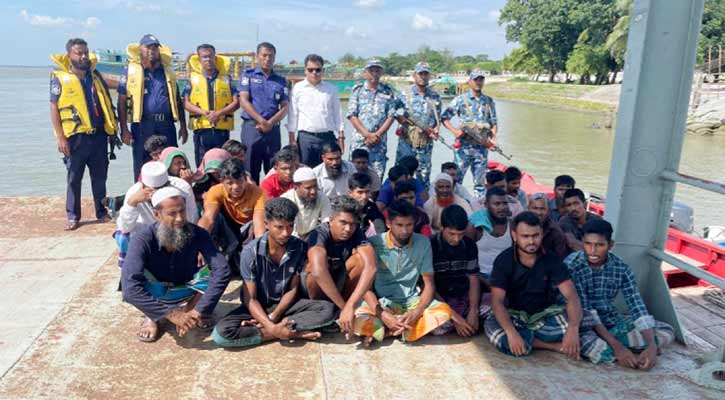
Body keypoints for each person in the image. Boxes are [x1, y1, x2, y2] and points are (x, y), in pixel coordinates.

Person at [212, 197, 336, 347]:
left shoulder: (299, 248)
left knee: (328, 310)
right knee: (221, 334)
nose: (285, 233)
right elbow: (250, 299)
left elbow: (293, 289)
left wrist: (273, 316)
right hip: (257, 306)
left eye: (290, 226)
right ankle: (290, 333)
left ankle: (270, 331)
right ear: (266, 224)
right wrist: (271, 326)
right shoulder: (251, 252)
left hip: (285, 307)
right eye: (279, 227)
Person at [122, 187, 231, 342]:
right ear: (157, 215)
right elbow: (129, 289)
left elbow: (223, 270)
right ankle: (152, 316)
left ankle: (192, 308)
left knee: (215, 272)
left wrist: (198, 310)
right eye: (172, 214)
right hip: (155, 289)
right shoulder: (142, 238)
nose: (180, 218)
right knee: (134, 280)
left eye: (182, 211)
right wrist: (173, 315)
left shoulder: (198, 233)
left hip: (187, 287)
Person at [567, 219, 675, 367]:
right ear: (582, 242)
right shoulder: (573, 265)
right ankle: (619, 347)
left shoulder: (621, 268)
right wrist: (619, 348)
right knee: (593, 347)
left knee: (667, 332)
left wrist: (651, 346)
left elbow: (636, 304)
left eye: (599, 245)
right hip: (582, 323)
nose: (592, 250)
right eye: (588, 244)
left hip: (610, 321)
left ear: (610, 245)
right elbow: (587, 311)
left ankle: (626, 347)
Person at [484, 212, 584, 359]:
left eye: (535, 235)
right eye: (525, 236)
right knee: (492, 326)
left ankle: (527, 340)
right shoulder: (503, 260)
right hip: (515, 317)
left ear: (541, 234)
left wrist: (573, 329)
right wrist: (511, 333)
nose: (531, 241)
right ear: (514, 236)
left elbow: (571, 295)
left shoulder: (552, 259)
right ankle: (552, 346)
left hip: (544, 316)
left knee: (581, 319)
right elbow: (497, 301)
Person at [353, 200, 453, 345]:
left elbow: (429, 285)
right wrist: (383, 314)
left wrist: (416, 312)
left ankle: (388, 331)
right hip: (381, 302)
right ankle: (403, 329)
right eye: (399, 225)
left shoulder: (423, 243)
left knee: (444, 313)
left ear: (415, 223)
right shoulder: (374, 243)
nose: (405, 231)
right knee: (356, 317)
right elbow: (366, 289)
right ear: (388, 223)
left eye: (409, 225)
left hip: (411, 303)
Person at [50, 38, 118, 231]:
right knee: (73, 178)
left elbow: (111, 84)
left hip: (98, 137)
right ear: (69, 56)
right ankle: (73, 216)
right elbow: (54, 108)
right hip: (75, 138)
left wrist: (130, 84)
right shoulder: (60, 79)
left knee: (100, 177)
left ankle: (102, 212)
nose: (83, 56)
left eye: (85, 52)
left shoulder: (94, 76)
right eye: (78, 53)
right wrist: (60, 137)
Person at [302, 196, 377, 338]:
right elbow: (318, 271)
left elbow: (371, 267)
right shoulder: (318, 234)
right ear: (331, 220)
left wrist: (351, 305)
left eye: (353, 224)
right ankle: (323, 310)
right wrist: (344, 308)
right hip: (314, 287)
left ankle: (342, 309)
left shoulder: (357, 233)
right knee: (314, 266)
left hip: (339, 282)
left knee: (360, 261)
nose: (348, 229)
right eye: (343, 222)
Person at [118, 34, 188, 180]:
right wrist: (124, 129)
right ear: (140, 49)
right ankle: (142, 197)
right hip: (143, 124)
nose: (152, 50)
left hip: (166, 124)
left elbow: (176, 99)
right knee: (142, 162)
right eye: (148, 47)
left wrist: (183, 125)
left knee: (170, 160)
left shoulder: (167, 71)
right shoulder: (131, 71)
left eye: (155, 47)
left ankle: (171, 195)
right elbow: (122, 101)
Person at [115, 161, 198, 267]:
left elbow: (191, 220)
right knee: (123, 237)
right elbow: (125, 227)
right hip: (147, 235)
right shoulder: (134, 192)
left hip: (175, 230)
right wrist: (132, 203)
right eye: (153, 190)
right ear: (143, 186)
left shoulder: (183, 188)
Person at [198, 158, 266, 272]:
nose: (235, 187)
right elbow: (208, 219)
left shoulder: (258, 193)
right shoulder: (215, 191)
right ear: (222, 181)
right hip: (228, 229)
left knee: (245, 267)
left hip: (248, 231)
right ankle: (214, 254)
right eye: (230, 183)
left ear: (245, 178)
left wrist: (261, 252)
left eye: (239, 181)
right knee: (215, 217)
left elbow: (259, 226)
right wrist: (198, 245)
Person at [441, 69, 497, 197]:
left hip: (481, 148)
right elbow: (444, 118)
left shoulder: (488, 101)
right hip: (463, 148)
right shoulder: (460, 100)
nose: (478, 82)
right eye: (476, 79)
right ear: (469, 81)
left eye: (481, 79)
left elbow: (493, 123)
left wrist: (493, 139)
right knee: (456, 180)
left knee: (480, 183)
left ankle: (478, 209)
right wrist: (455, 131)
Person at [238, 42, 288, 183]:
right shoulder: (247, 75)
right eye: (264, 55)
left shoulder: (281, 81)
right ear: (257, 56)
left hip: (273, 130)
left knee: (273, 170)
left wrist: (270, 123)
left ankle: (272, 203)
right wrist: (261, 121)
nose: (267, 59)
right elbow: (243, 100)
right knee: (249, 169)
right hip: (252, 128)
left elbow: (285, 107)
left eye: (271, 56)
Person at [183, 44, 240, 167]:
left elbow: (236, 102)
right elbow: (186, 103)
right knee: (202, 164)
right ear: (199, 59)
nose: (208, 60)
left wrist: (219, 113)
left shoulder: (226, 79)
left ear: (215, 57)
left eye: (210, 56)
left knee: (222, 163)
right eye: (204, 57)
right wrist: (204, 113)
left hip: (221, 130)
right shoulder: (192, 79)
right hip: (202, 129)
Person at [430, 205, 481, 337]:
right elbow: (429, 287)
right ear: (442, 228)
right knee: (435, 325)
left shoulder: (469, 245)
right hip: (440, 299)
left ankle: (467, 321)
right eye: (452, 234)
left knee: (495, 306)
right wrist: (455, 317)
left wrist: (473, 311)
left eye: (461, 234)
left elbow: (473, 280)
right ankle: (459, 323)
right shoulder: (430, 246)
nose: (456, 239)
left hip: (463, 297)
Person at [287, 54, 345, 168]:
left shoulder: (331, 89)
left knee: (329, 172)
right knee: (305, 173)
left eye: (318, 70)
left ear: (322, 70)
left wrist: (341, 137)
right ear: (305, 70)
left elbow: (338, 114)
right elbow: (292, 115)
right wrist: (292, 140)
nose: (314, 73)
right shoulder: (297, 89)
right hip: (305, 138)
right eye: (310, 69)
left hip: (327, 137)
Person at [346, 58, 397, 178]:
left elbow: (391, 115)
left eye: (377, 70)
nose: (374, 73)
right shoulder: (357, 91)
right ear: (365, 73)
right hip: (360, 141)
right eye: (371, 70)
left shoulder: (387, 91)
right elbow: (352, 115)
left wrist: (377, 135)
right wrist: (367, 135)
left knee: (377, 177)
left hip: (379, 143)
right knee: (355, 176)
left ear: (381, 73)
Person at [395, 62, 441, 190]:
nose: (423, 77)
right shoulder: (404, 94)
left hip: (425, 143)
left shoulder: (434, 96)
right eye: (420, 74)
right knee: (401, 174)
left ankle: (422, 205)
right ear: (415, 75)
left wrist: (437, 129)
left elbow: (438, 118)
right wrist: (400, 118)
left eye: (426, 74)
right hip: (407, 141)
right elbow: (391, 110)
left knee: (424, 177)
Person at [469, 187, 511, 284]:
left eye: (505, 203)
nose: (502, 208)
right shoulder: (475, 227)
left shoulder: (513, 225)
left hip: (506, 276)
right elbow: (467, 259)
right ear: (486, 205)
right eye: (497, 204)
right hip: (480, 277)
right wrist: (483, 280)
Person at [281, 167, 331, 240]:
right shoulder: (286, 200)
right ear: (295, 187)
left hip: (313, 238)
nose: (313, 192)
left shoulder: (321, 197)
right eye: (308, 188)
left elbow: (326, 223)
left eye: (315, 186)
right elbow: (290, 231)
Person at [528, 192, 569, 259]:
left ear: (549, 210)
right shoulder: (518, 225)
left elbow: (559, 259)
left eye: (542, 209)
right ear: (528, 208)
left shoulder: (556, 232)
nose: (539, 213)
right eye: (535, 208)